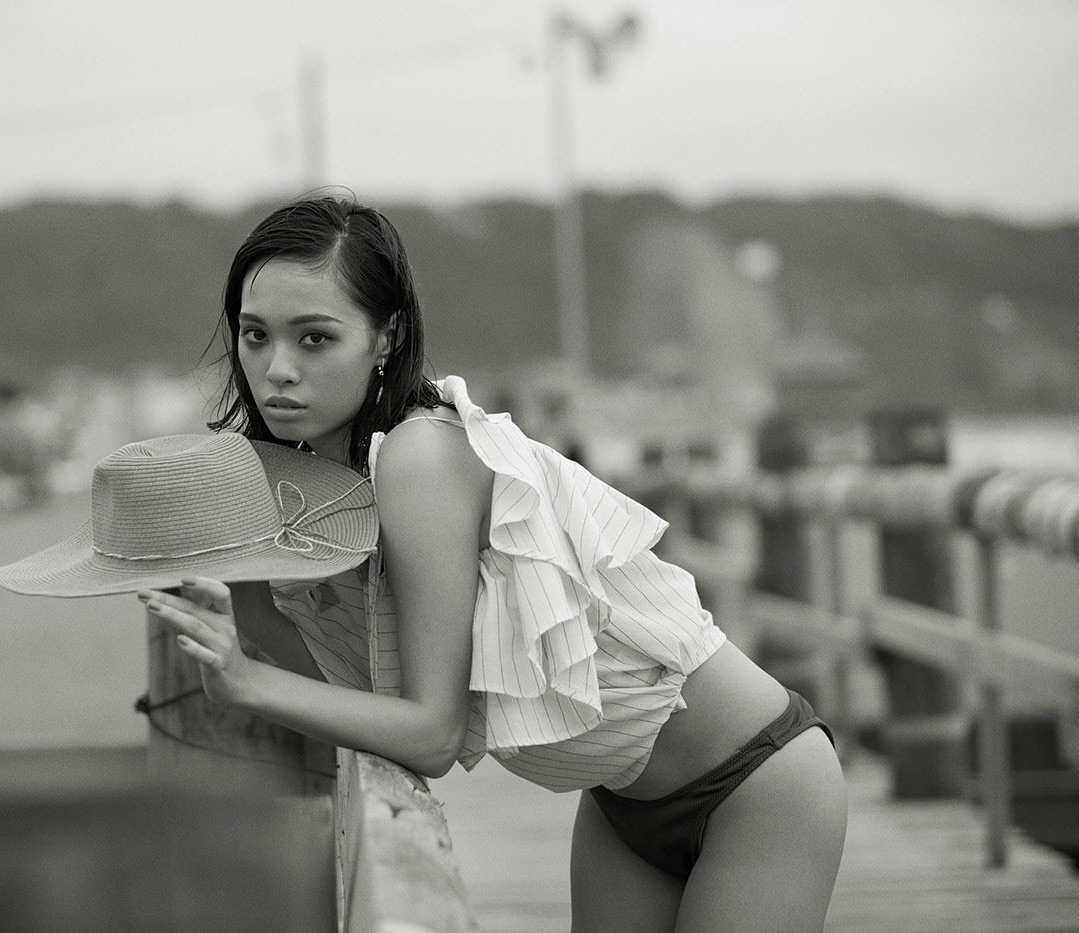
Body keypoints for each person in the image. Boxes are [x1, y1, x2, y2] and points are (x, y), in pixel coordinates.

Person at [138, 194, 848, 932]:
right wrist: (250, 609)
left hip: (755, 785)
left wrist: (246, 680)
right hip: (620, 804)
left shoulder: (418, 456)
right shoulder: (325, 487)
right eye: (255, 335)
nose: (277, 369)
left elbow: (431, 734)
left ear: (386, 337)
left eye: (315, 338)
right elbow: (362, 700)